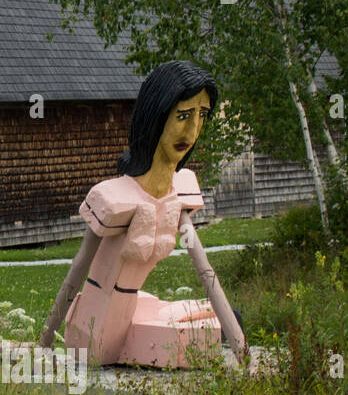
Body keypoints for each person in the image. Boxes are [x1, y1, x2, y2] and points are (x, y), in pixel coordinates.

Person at [38, 61, 249, 367]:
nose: (191, 131)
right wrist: (43, 344)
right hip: (94, 330)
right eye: (182, 116)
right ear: (156, 116)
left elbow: (205, 270)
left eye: (201, 115)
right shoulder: (112, 196)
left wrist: (240, 345)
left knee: (199, 328)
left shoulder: (182, 188)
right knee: (190, 340)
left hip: (135, 306)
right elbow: (76, 273)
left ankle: (224, 321)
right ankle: (221, 324)